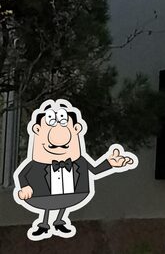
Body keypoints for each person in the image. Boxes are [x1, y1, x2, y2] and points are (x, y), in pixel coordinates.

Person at [13, 99, 137, 241]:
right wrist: (25, 187)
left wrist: (110, 163)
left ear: (76, 130)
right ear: (37, 131)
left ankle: (59, 221)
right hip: (42, 195)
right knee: (48, 205)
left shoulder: (79, 161)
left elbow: (95, 170)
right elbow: (22, 174)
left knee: (62, 203)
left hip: (72, 193)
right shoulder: (36, 164)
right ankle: (44, 224)